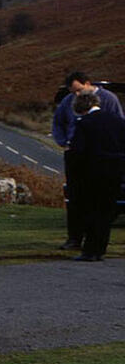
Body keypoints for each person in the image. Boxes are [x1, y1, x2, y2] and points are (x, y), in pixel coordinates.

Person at [51, 71, 124, 250]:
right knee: (76, 198)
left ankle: (94, 243)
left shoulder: (109, 100)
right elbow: (58, 122)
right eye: (73, 92)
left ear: (88, 84)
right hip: (76, 153)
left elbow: (118, 125)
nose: (76, 94)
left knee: (97, 201)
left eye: (79, 90)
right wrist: (63, 142)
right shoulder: (68, 102)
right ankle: (75, 238)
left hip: (100, 156)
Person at [68, 92, 125, 261]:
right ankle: (100, 249)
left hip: (92, 173)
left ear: (80, 107)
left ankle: (89, 250)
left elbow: (78, 151)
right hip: (115, 172)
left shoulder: (84, 123)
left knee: (90, 211)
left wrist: (74, 172)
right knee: (106, 213)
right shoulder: (118, 121)